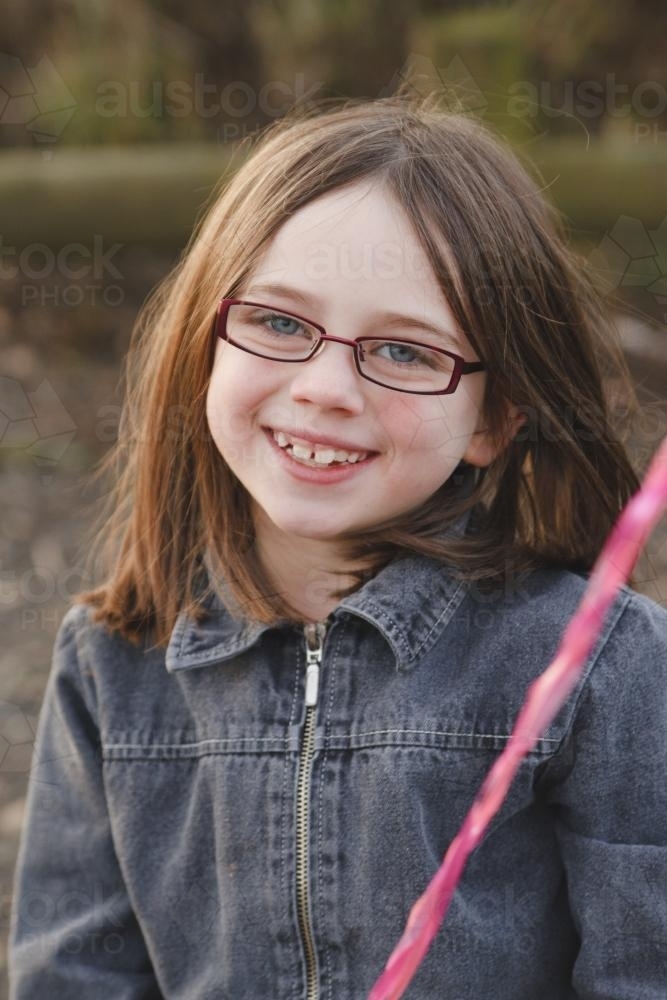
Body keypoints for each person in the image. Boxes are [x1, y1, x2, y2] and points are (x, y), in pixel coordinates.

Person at [8, 93, 667, 999]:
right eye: (279, 323)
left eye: (403, 352)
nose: (323, 389)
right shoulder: (112, 665)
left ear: (496, 417)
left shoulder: (599, 666)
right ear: (206, 337)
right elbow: (72, 979)